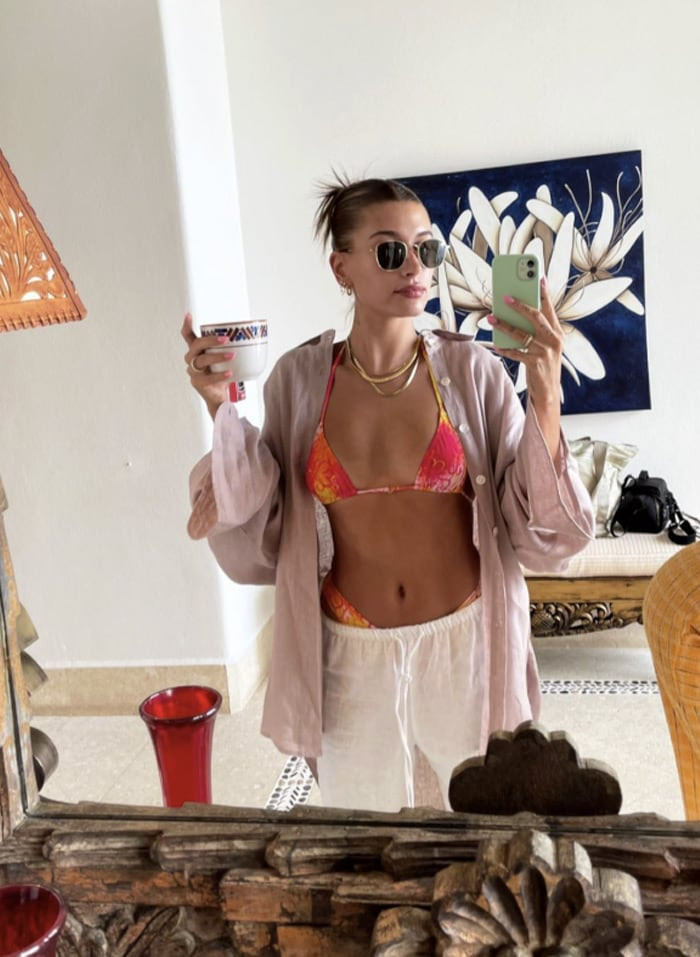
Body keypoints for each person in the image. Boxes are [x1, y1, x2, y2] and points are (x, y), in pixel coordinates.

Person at [182, 176, 594, 812]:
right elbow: (261, 513)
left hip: (464, 641)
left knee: (481, 823)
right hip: (350, 649)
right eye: (390, 250)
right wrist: (220, 406)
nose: (414, 267)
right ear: (341, 268)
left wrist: (545, 394)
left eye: (426, 249)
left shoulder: (472, 371)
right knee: (362, 830)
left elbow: (535, 516)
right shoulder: (298, 381)